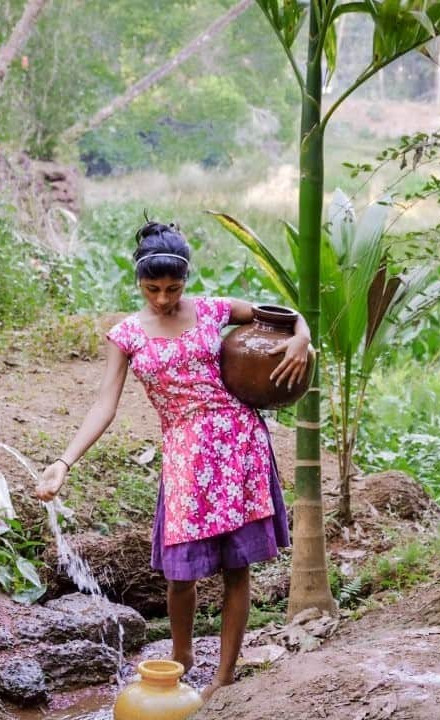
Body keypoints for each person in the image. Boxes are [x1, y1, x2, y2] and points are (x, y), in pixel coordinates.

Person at [34, 220, 311, 701]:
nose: (163, 298)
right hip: (184, 454)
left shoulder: (213, 310)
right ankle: (181, 663)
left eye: (174, 287)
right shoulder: (126, 335)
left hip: (238, 444)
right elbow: (105, 404)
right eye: (153, 288)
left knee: (237, 569)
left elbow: (287, 317)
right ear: (139, 281)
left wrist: (302, 339)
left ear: (186, 279)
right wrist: (65, 461)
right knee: (181, 574)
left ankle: (224, 678)